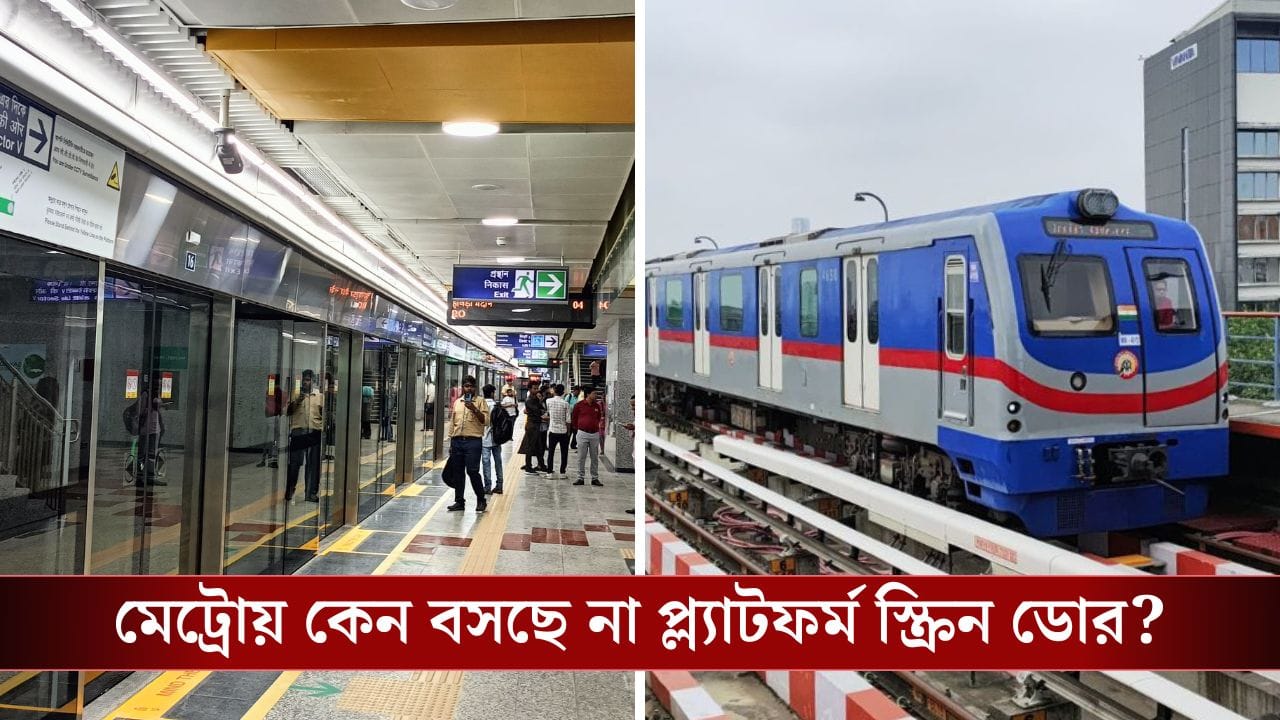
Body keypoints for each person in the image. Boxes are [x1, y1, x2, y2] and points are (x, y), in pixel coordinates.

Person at [446, 375, 488, 513]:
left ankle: (481, 500)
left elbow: (486, 421)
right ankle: (459, 501)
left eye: (471, 386)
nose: (468, 388)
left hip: (473, 442)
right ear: (463, 387)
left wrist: (474, 409)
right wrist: (451, 442)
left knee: (472, 471)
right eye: (466, 386)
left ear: (475, 387)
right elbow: (453, 423)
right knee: (458, 472)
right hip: (457, 441)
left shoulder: (481, 402)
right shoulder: (458, 402)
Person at [286, 369, 324, 503]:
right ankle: (290, 491)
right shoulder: (295, 394)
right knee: (294, 464)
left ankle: (311, 494)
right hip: (298, 433)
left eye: (308, 380)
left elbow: (323, 413)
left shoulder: (319, 396)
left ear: (313, 381)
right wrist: (297, 401)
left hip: (314, 433)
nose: (305, 382)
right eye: (304, 380)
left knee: (313, 465)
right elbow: (288, 412)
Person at [571, 387, 605, 487]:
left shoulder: (597, 406)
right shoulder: (579, 405)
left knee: (594, 457)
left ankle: (594, 478)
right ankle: (580, 478)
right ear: (588, 394)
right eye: (594, 393)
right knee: (581, 457)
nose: (596, 395)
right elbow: (574, 418)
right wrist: (579, 428)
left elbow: (598, 418)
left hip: (594, 434)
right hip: (582, 433)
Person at [135, 388, 166, 488]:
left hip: (155, 429)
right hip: (145, 430)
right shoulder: (145, 394)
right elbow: (140, 411)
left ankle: (150, 477)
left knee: (152, 454)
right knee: (142, 454)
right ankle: (139, 477)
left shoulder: (157, 394)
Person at [480, 384, 506, 495]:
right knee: (498, 461)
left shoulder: (481, 405)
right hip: (496, 438)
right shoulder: (497, 405)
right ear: (492, 393)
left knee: (486, 462)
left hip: (484, 438)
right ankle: (499, 485)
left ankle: (487, 486)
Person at [518, 384, 549, 473]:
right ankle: (528, 466)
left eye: (537, 388)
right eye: (534, 388)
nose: (537, 390)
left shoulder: (535, 399)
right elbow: (538, 411)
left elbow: (541, 409)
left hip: (536, 425)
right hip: (532, 425)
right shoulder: (530, 400)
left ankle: (541, 465)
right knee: (530, 446)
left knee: (538, 446)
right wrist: (541, 411)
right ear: (530, 389)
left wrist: (541, 410)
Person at [545, 384, 571, 477]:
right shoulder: (566, 404)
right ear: (563, 393)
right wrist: (568, 432)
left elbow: (548, 413)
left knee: (551, 452)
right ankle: (562, 473)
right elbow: (568, 420)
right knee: (564, 453)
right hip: (563, 431)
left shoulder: (548, 401)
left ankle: (549, 473)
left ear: (554, 391)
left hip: (552, 430)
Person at [567, 385, 580, 449]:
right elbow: (565, 405)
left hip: (576, 417)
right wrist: (572, 407)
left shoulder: (579, 398)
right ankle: (566, 443)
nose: (578, 393)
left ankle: (573, 444)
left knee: (576, 432)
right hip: (569, 416)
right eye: (577, 392)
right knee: (568, 432)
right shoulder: (569, 396)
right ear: (574, 391)